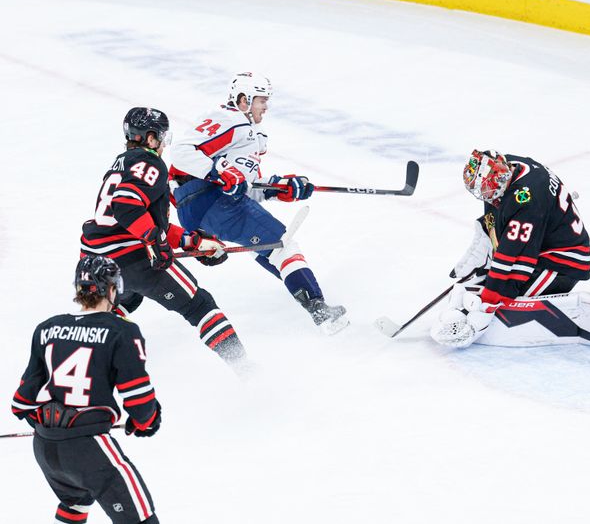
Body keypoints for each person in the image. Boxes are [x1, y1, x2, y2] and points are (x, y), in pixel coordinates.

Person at [168, 72, 348, 335]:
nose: (266, 106)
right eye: (261, 100)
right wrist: (218, 174)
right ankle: (319, 310)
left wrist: (280, 189)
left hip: (202, 206)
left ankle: (308, 298)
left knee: (267, 249)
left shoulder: (248, 135)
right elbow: (182, 153)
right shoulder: (233, 121)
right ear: (243, 100)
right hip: (209, 199)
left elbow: (242, 187)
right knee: (282, 245)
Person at [80, 107, 251, 372]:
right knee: (200, 306)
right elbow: (127, 206)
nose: (162, 144)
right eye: (160, 136)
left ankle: (80, 372)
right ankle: (247, 371)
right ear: (150, 138)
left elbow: (143, 221)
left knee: (125, 302)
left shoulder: (122, 163)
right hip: (131, 259)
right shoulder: (149, 162)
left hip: (95, 261)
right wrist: (155, 242)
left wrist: (193, 242)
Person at [11, 256, 161, 524]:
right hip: (88, 447)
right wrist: (146, 420)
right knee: (141, 519)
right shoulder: (121, 330)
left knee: (75, 504)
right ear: (112, 289)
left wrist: (53, 426)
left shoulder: (47, 327)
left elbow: (22, 401)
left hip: (45, 447)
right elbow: (138, 398)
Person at [430, 149, 590, 348]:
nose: (485, 196)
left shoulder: (526, 199)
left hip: (562, 261)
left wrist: (489, 302)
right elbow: (502, 225)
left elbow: (515, 257)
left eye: (487, 190)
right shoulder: (508, 166)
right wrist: (484, 246)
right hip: (541, 246)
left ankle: (586, 323)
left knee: (507, 299)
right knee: (487, 286)